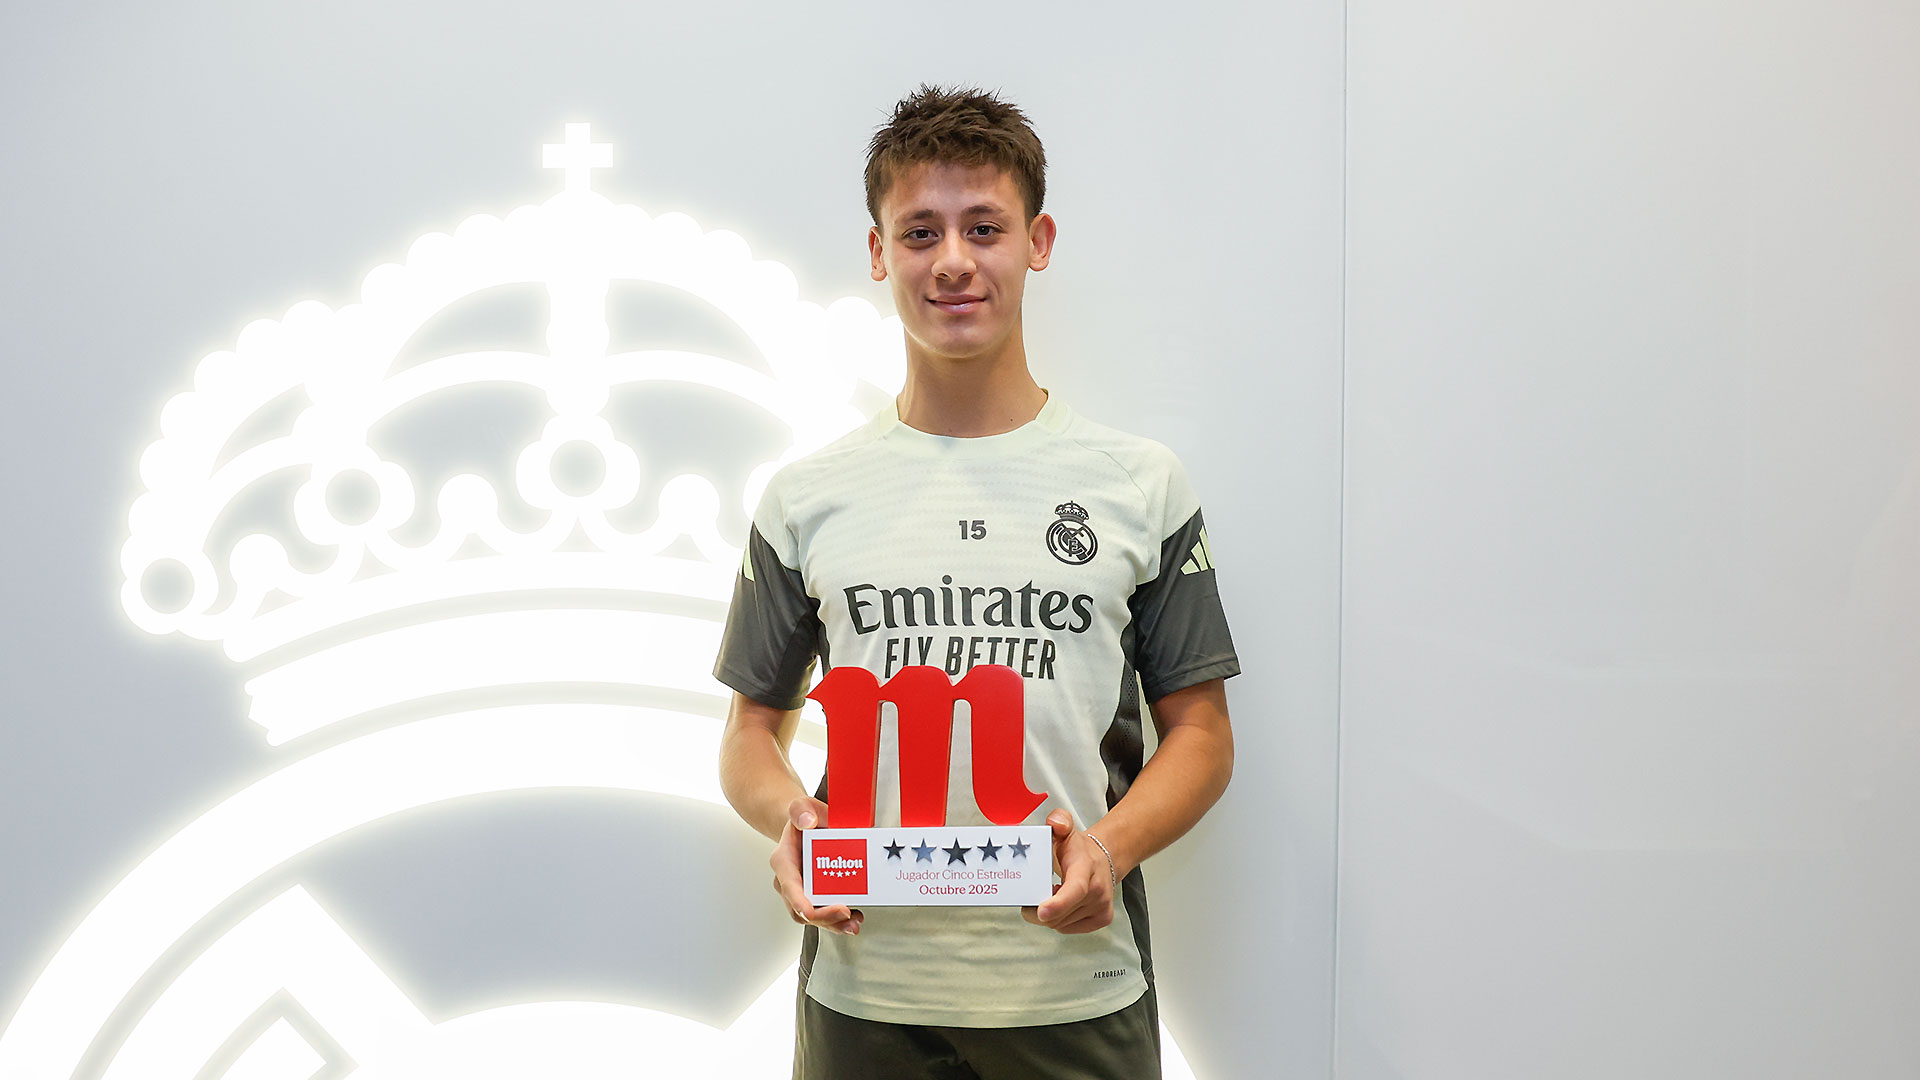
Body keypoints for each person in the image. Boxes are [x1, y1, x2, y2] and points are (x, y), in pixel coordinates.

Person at [715, 84, 1238, 1080]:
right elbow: (749, 734)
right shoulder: (805, 497)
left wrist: (1110, 848)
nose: (952, 259)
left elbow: (1203, 737)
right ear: (879, 253)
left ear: (1037, 242)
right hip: (864, 995)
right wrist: (793, 821)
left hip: (1075, 992)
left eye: (983, 227)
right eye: (920, 231)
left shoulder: (1140, 485)